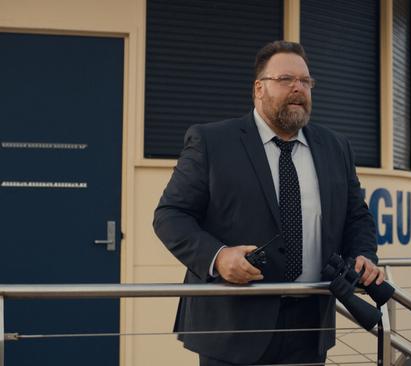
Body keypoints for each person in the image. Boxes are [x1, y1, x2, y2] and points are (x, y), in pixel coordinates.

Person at [153, 40, 384, 366]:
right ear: (259, 88)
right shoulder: (212, 141)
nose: (297, 88)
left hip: (310, 323)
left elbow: (356, 216)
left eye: (305, 81)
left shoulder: (336, 147)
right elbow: (170, 215)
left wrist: (364, 254)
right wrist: (217, 258)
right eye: (286, 79)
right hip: (233, 325)